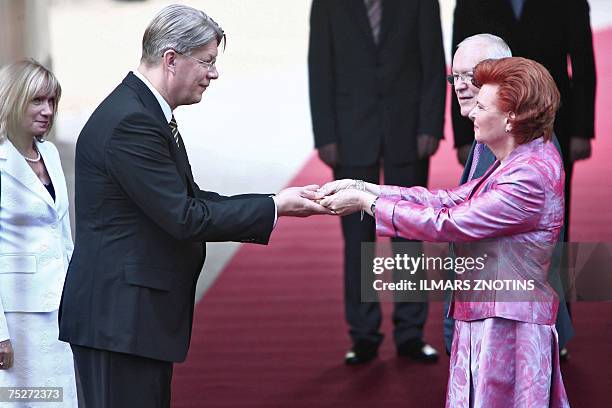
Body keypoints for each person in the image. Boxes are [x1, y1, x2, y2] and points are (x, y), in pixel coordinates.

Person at [58, 5, 328, 407]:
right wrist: (276, 207)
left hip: (130, 321)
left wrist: (276, 203)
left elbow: (189, 198)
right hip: (119, 321)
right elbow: (184, 217)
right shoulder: (132, 121)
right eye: (207, 62)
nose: (213, 74)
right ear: (171, 60)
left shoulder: (144, 110)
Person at [317, 57, 570, 406]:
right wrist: (368, 187)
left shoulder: (528, 174)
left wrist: (367, 204)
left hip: (509, 325)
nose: (470, 114)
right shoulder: (519, 159)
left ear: (511, 117)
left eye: (481, 107)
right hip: (492, 315)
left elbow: (452, 223)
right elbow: (449, 199)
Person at [308, 0, 446, 365]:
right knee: (357, 238)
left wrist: (430, 125)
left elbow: (434, 61)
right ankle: (364, 334)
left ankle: (410, 333)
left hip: (408, 130)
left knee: (410, 232)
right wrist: (325, 136)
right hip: (351, 133)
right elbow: (319, 67)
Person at [445, 33, 574, 356]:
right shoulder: (492, 128)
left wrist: (374, 202)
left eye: (470, 76)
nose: (460, 86)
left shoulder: (517, 140)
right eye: (455, 76)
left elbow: (462, 225)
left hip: (512, 324)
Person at [451, 0, 596, 244]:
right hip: (488, 121)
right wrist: (462, 136)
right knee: (483, 208)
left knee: (552, 214)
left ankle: (553, 278)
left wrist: (582, 130)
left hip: (551, 120)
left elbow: (583, 64)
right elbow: (460, 69)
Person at [0, 60, 78, 406]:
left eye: (52, 102)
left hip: (61, 309)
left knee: (61, 399)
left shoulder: (49, 153)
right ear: (12, 100)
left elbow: (63, 231)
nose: (47, 111)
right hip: (17, 317)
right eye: (37, 101)